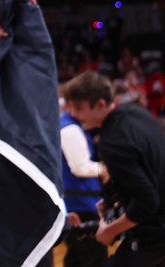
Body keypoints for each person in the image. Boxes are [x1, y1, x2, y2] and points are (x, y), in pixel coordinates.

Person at [64, 71, 165, 266]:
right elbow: (149, 171)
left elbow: (148, 201)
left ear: (100, 104)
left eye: (78, 108)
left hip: (154, 231)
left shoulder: (112, 141)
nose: (73, 114)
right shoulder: (137, 113)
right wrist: (117, 196)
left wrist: (110, 230)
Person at [61, 96, 109, 267]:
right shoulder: (70, 129)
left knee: (76, 260)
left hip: (78, 203)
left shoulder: (69, 125)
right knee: (94, 260)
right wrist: (105, 168)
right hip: (82, 205)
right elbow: (80, 167)